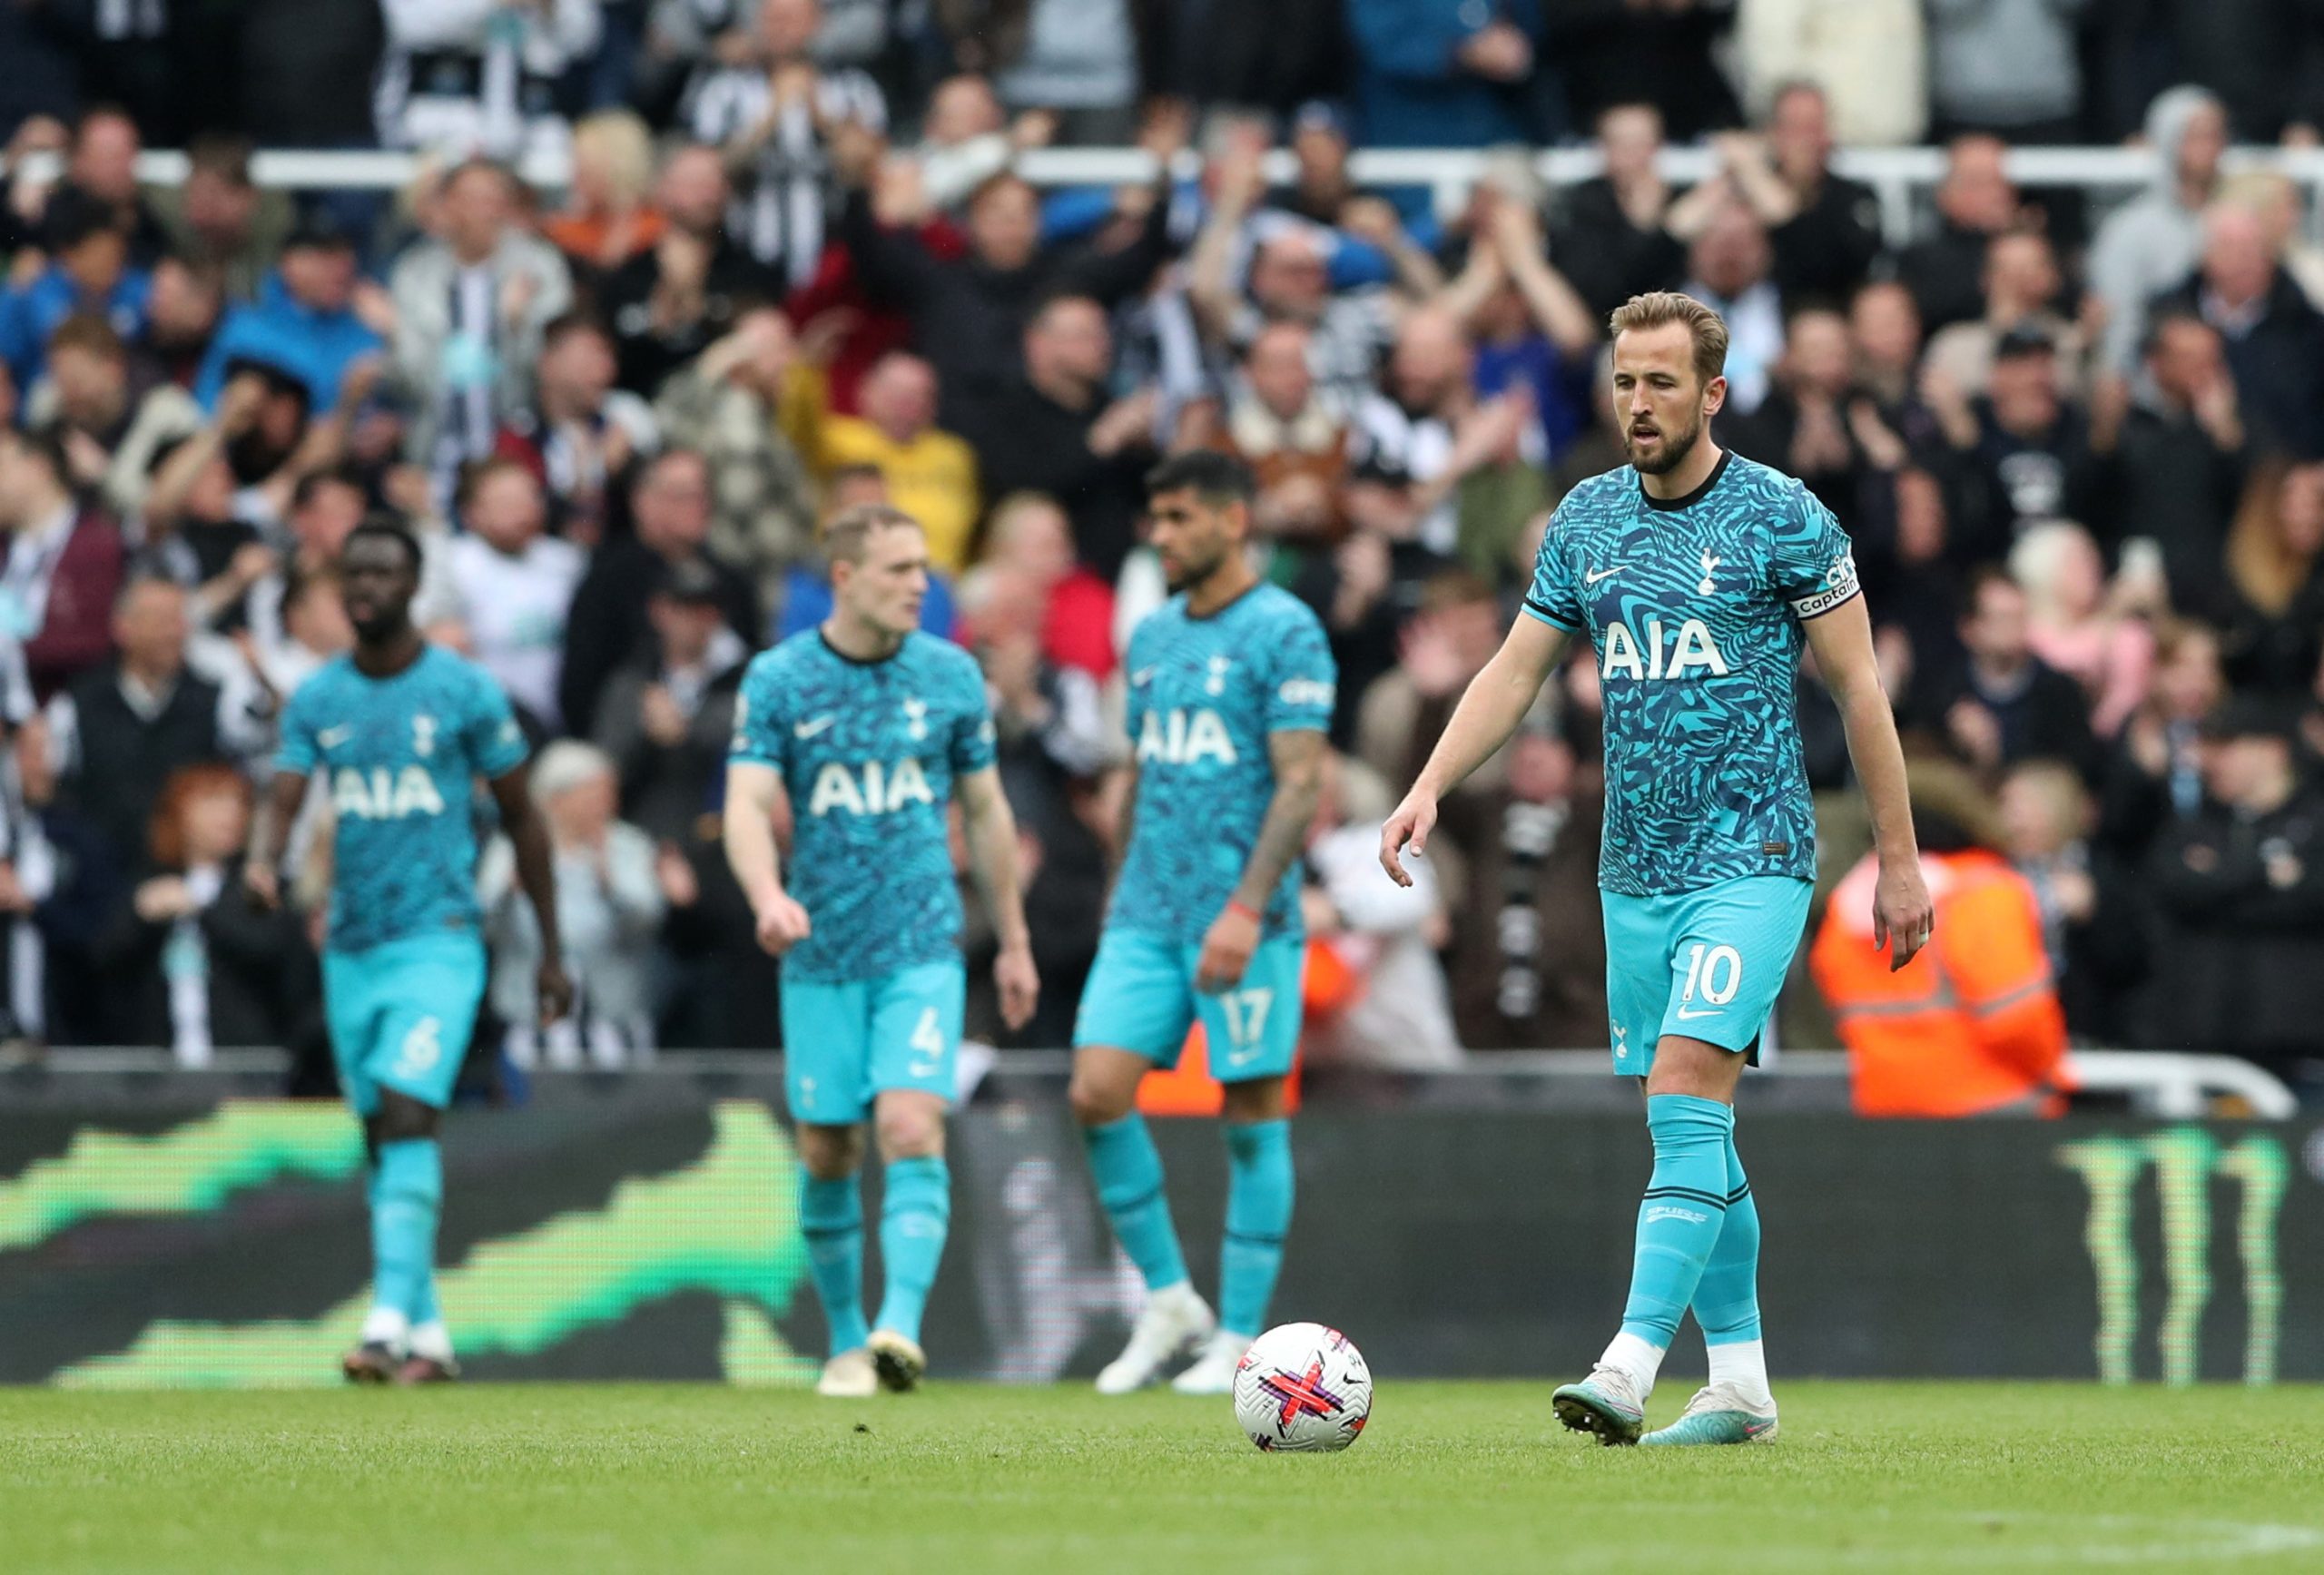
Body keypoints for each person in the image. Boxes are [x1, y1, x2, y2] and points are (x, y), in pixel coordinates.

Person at [1380, 290, 1932, 1445]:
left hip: (1756, 856)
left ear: (1713, 392)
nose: (1639, 402)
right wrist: (1430, 781)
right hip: (1633, 871)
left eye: (1662, 382)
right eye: (1625, 381)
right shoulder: (1584, 519)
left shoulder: (1783, 517)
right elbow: (1515, 669)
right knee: (1691, 1127)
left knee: (1686, 1094)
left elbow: (1860, 693)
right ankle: (1738, 1383)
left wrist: (1897, 861)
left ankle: (1628, 1364)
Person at [723, 502, 1038, 1397]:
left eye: (924, 568)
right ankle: (846, 1339)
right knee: (828, 1149)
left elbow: (984, 810)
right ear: (845, 577)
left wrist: (1010, 939)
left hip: (919, 945)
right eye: (899, 568)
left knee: (908, 1123)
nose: (919, 585)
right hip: (820, 953)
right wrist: (767, 895)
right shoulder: (779, 680)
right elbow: (746, 802)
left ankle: (898, 1326)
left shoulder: (948, 676)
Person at [245, 520, 570, 1386]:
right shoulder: (319, 698)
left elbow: (525, 816)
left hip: (440, 937)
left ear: (416, 581)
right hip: (351, 943)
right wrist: (262, 861)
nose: (368, 584)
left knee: (405, 1108)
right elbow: (284, 793)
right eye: (354, 571)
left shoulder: (463, 690)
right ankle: (428, 1333)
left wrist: (550, 949)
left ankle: (385, 1323)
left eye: (385, 570)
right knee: (379, 1136)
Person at [1068, 450, 1336, 1397]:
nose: (1161, 534)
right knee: (1097, 1090)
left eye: (1179, 517)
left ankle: (1241, 1334)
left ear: (1232, 520)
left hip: (1242, 916)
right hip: (1145, 909)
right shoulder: (1149, 637)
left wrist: (1246, 906)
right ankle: (1171, 1296)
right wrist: (1119, 884)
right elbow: (1140, 771)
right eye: (1157, 517)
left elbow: (1301, 780)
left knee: (1251, 1114)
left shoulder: (1284, 630)